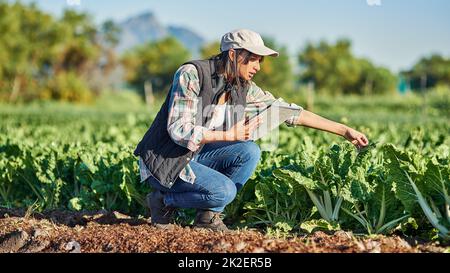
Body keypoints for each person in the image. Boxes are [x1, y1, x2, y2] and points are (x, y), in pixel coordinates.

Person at [133, 29, 369, 232]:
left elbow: (288, 111)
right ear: (234, 55)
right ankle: (163, 199)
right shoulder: (192, 74)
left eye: (261, 61)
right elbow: (179, 129)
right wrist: (229, 135)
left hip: (194, 157)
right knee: (225, 191)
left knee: (248, 151)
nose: (258, 66)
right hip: (165, 159)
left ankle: (207, 217)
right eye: (254, 59)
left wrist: (344, 130)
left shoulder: (243, 88)